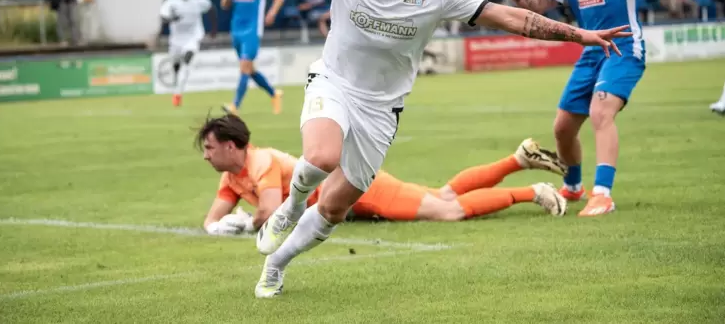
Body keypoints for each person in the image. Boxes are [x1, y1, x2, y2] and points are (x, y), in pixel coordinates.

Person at [166, 0, 631, 298]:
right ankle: (289, 207)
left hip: (381, 110)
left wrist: (581, 35)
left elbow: (518, 20)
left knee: (333, 209)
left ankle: (276, 265)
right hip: (333, 82)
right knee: (322, 156)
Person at [486, 0, 672, 217]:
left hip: (623, 48)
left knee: (601, 111)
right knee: (562, 128)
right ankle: (573, 187)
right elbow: (536, 6)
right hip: (590, 52)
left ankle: (603, 195)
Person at [197, 111, 568, 238]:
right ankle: (518, 159)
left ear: (232, 146)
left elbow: (270, 213)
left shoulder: (261, 162)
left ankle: (534, 191)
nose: (206, 155)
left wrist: (244, 225)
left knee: (448, 210)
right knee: (445, 195)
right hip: (352, 198)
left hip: (361, 191)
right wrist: (218, 226)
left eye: (210, 147)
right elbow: (211, 219)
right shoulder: (232, 175)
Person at [221, 0, 285, 115]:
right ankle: (274, 93)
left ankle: (235, 106)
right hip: (236, 30)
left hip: (252, 30)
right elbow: (224, 5)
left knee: (244, 67)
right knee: (249, 69)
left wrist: (272, 13)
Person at [159, 0, 217, 107]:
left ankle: (178, 94)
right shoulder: (172, 2)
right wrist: (172, 19)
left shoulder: (198, 0)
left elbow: (211, 9)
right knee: (176, 63)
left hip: (193, 37)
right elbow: (163, 17)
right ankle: (176, 84)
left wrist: (213, 30)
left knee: (187, 59)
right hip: (176, 40)